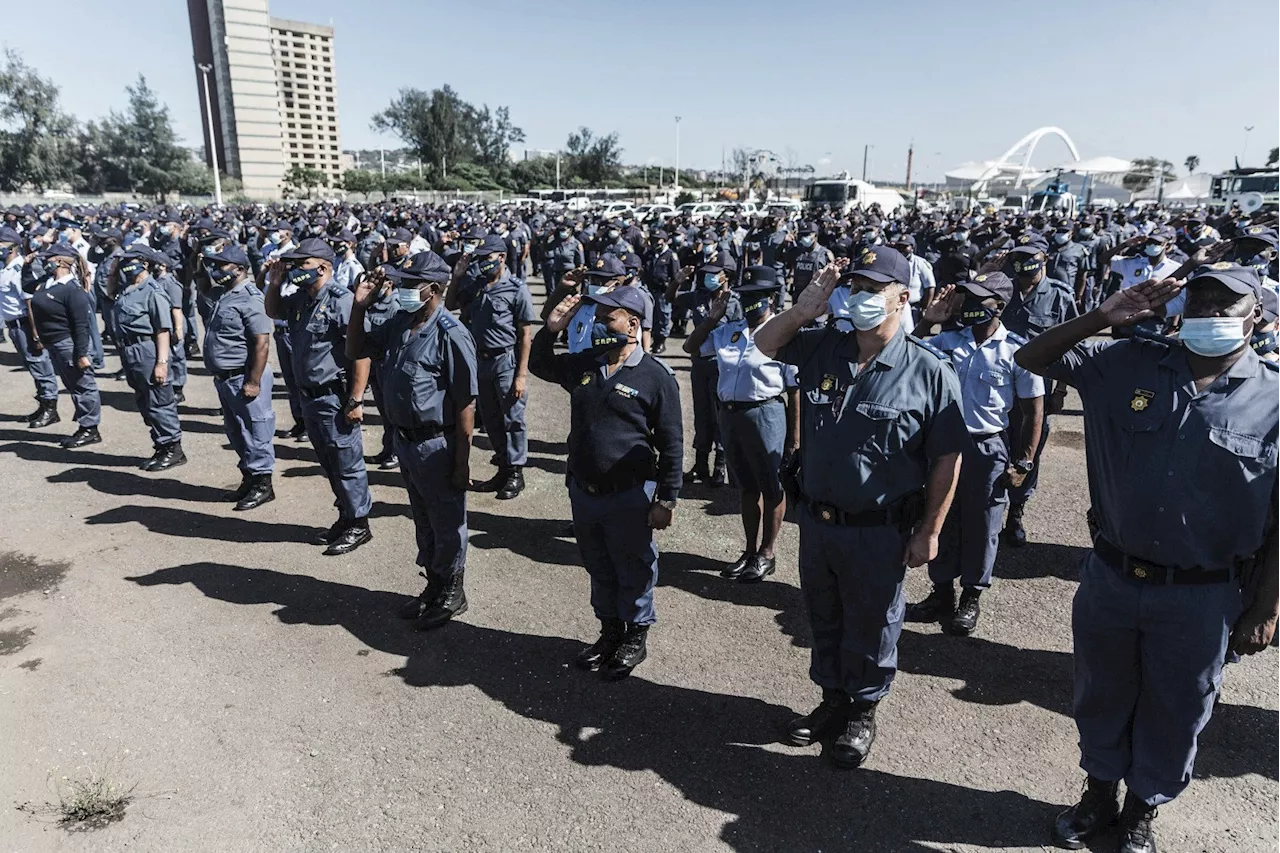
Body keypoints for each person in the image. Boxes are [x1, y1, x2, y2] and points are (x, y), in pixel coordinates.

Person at [1016, 264, 1280, 853]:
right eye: (1200, 305)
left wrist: (1266, 608)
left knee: (1179, 705)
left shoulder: (1275, 400)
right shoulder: (1126, 364)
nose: (1209, 317)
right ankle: (1098, 792)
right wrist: (1099, 319)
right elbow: (1032, 358)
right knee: (1100, 691)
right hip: (1113, 575)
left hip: (1204, 593)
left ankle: (1143, 807)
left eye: (1225, 308)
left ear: (1256, 318)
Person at [753, 247, 969, 768]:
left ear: (904, 296)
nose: (860, 298)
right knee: (824, 616)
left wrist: (930, 530)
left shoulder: (929, 370)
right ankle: (832, 699)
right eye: (855, 287)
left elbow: (947, 459)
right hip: (820, 521)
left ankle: (862, 711)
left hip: (880, 528)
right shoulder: (825, 346)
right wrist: (804, 309)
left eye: (873, 289)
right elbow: (764, 344)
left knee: (873, 623)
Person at [530, 287, 683, 680]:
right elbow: (541, 366)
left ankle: (635, 634)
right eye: (596, 319)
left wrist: (666, 499)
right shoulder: (587, 363)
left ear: (632, 323)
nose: (597, 325)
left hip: (630, 494)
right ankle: (610, 630)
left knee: (633, 565)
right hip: (585, 492)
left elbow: (671, 442)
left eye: (606, 319)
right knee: (598, 563)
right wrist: (549, 330)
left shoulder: (655, 376)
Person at [907, 272, 1044, 635]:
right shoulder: (949, 340)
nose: (967, 307)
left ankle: (971, 596)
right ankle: (941, 593)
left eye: (976, 300)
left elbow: (1033, 410)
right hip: (943, 444)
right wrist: (926, 322)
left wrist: (1024, 461)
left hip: (987, 446)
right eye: (964, 299)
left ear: (998, 305)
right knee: (940, 516)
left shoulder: (1016, 349)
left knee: (983, 524)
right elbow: (902, 354)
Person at [349, 252, 477, 630]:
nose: (402, 290)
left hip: (438, 443)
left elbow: (466, 404)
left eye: (410, 284)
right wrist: (360, 308)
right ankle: (434, 584)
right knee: (424, 519)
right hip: (405, 440)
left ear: (433, 289)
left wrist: (462, 462)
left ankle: (453, 591)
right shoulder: (400, 323)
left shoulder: (451, 333)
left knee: (448, 521)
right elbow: (355, 351)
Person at [684, 266, 798, 583]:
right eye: (745, 296)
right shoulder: (729, 331)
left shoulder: (783, 333)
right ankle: (749, 551)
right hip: (731, 415)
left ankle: (767, 553)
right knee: (747, 486)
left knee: (772, 486)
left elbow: (794, 387)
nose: (751, 303)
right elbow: (691, 348)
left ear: (771, 297)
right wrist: (712, 316)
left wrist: (795, 437)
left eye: (756, 296)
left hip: (766, 413)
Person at [265, 237, 374, 556]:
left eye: (302, 264)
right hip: (310, 397)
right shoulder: (301, 298)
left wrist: (355, 398)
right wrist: (274, 283)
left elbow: (361, 353)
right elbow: (274, 311)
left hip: (334, 396)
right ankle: (346, 515)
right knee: (329, 460)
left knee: (346, 461)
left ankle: (359, 523)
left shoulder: (342, 300)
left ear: (324, 267)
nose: (295, 269)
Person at [1000, 234, 1078, 547]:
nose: (1023, 268)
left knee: (1028, 451)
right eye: (1018, 261)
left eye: (1030, 260)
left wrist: (1061, 390)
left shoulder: (1059, 295)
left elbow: (1072, 345)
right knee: (994, 447)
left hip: (1037, 393)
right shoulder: (1004, 288)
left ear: (1044, 260)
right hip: (1000, 386)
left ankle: (1015, 512)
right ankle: (990, 510)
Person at [446, 234, 535, 499]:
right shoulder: (474, 282)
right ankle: (504, 468)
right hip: (479, 361)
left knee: (513, 419)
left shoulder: (516, 288)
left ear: (502, 257)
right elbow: (450, 305)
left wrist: (521, 375)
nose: (483, 263)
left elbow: (525, 335)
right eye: (479, 258)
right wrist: (458, 276)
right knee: (492, 419)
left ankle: (516, 473)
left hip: (505, 361)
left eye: (487, 258)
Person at [202, 244, 277, 510]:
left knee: (256, 431)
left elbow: (261, 343)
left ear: (240, 269)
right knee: (237, 432)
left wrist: (253, 381)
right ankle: (249, 478)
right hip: (226, 378)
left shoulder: (250, 297)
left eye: (220, 266)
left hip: (243, 376)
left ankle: (262, 485)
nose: (214, 270)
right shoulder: (225, 294)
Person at [110, 246, 186, 470]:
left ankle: (173, 448)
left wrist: (162, 363)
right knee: (145, 402)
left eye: (129, 260)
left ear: (144, 263)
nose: (125, 265)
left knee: (159, 402)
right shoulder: (128, 289)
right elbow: (108, 292)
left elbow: (162, 330)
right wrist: (114, 269)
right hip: (130, 350)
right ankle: (161, 446)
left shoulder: (153, 290)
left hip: (148, 350)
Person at [669, 255, 741, 485]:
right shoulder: (700, 295)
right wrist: (677, 281)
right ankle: (700, 464)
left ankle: (720, 465)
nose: (709, 277)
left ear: (726, 275)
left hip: (723, 366)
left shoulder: (735, 302)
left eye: (715, 273)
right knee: (702, 414)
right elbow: (672, 299)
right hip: (700, 364)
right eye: (707, 273)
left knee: (721, 415)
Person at [27, 244, 103, 448]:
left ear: (60, 261)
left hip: (67, 344)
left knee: (83, 386)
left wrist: (81, 354)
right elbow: (27, 286)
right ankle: (85, 426)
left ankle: (89, 428)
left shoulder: (73, 290)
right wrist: (27, 266)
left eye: (48, 258)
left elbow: (81, 327)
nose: (44, 261)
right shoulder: (48, 283)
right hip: (53, 344)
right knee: (73, 386)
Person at [0, 227, 59, 427]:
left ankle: (51, 409)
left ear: (13, 248)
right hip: (14, 326)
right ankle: (43, 406)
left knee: (40, 365)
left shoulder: (19, 269)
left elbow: (30, 303)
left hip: (25, 324)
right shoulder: (6, 268)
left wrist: (35, 334)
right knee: (33, 366)